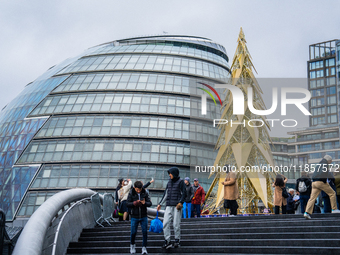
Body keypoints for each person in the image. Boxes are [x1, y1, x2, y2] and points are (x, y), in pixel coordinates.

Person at [156, 167, 186, 249]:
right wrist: (160, 204)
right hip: (168, 206)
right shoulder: (169, 182)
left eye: (170, 173)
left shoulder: (181, 182)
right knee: (165, 223)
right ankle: (167, 241)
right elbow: (166, 194)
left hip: (177, 206)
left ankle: (177, 240)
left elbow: (184, 193)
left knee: (176, 224)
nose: (169, 175)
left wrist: (181, 202)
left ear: (175, 173)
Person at [304, 155, 340, 219]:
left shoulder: (319, 164)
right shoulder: (325, 164)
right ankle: (334, 209)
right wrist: (324, 180)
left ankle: (307, 212)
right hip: (320, 182)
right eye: (330, 161)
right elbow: (322, 173)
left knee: (312, 198)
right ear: (328, 160)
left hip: (314, 182)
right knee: (332, 193)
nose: (330, 163)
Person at [127, 181, 152, 255]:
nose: (138, 191)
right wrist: (134, 203)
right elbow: (127, 203)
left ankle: (144, 248)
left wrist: (144, 203)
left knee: (144, 232)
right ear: (134, 188)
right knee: (133, 232)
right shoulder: (131, 193)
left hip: (143, 215)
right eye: (137, 189)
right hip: (134, 216)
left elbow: (150, 203)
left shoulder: (145, 193)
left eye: (140, 189)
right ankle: (132, 245)